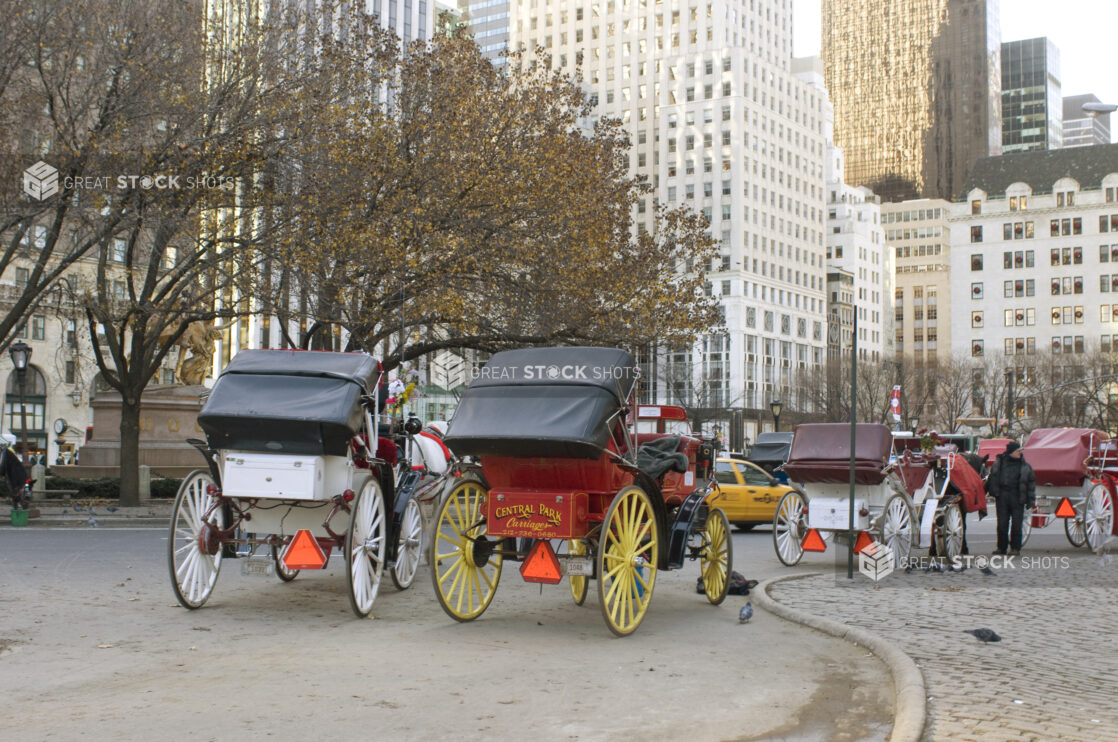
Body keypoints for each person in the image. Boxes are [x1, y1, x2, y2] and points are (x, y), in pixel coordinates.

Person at [987, 441, 1036, 556]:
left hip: (1018, 497)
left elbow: (1030, 483)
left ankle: (1015, 548)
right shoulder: (1000, 463)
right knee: (1002, 524)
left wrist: (1030, 499)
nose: (1019, 452)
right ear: (1011, 452)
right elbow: (993, 477)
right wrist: (995, 492)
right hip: (1003, 497)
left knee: (1017, 525)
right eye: (1017, 451)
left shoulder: (1024, 465)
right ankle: (1001, 548)